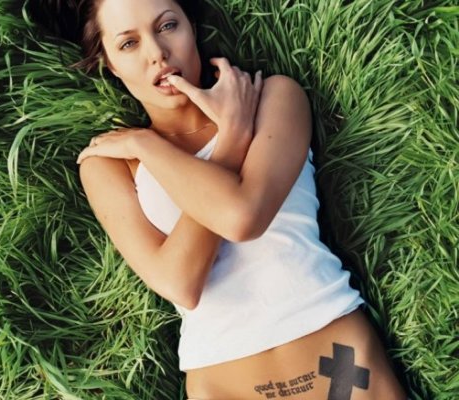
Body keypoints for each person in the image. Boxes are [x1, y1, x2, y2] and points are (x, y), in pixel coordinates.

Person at [35, 0, 408, 398]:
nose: (157, 53)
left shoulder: (273, 98)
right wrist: (221, 140)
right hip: (223, 382)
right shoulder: (113, 163)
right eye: (129, 43)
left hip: (341, 364)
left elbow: (244, 217)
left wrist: (157, 144)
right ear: (109, 63)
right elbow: (180, 284)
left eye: (167, 26)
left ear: (191, 27)